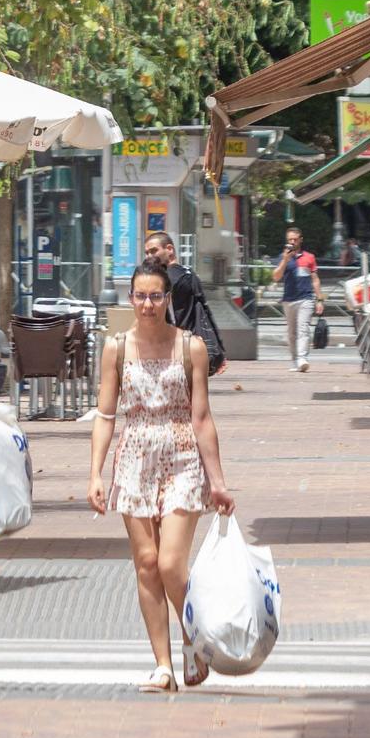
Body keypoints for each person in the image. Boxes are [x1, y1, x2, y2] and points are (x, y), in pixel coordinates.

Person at [88, 257, 235, 693]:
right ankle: (163, 665)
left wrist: (218, 479)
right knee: (147, 564)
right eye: (140, 296)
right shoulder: (116, 347)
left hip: (182, 455)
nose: (148, 304)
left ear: (167, 299)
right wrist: (95, 473)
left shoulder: (190, 346)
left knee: (171, 561)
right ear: (130, 298)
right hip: (133, 458)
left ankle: (193, 637)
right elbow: (105, 414)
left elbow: (202, 416)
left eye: (156, 296)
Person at [144, 230, 226, 375]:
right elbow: (205, 312)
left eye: (154, 251)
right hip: (193, 347)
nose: (150, 256)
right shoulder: (189, 273)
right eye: (147, 253)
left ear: (169, 249)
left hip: (172, 351)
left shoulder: (161, 280)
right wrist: (218, 349)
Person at [274, 225, 325, 372]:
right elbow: (276, 277)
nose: (292, 242)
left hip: (306, 298)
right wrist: (285, 259)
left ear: (300, 240)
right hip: (288, 300)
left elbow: (315, 279)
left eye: (295, 239)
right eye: (289, 240)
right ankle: (295, 359)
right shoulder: (283, 257)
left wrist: (319, 299)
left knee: (303, 329)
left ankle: (302, 358)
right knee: (291, 332)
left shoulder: (309, 257)